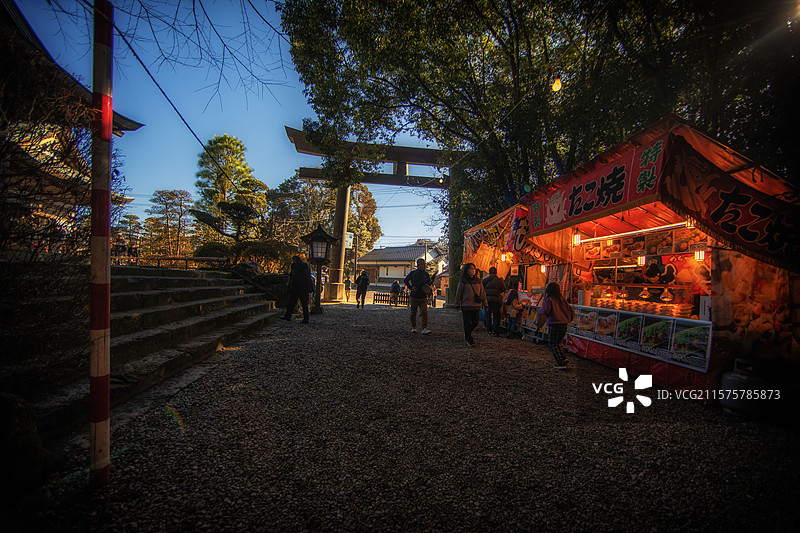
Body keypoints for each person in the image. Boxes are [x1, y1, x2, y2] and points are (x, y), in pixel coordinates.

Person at [536, 282, 575, 369]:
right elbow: (571, 310)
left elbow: (545, 310)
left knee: (552, 344)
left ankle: (560, 362)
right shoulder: (563, 300)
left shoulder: (549, 300)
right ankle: (563, 358)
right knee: (559, 343)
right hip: (564, 324)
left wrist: (540, 311)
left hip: (554, 323)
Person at [454, 262, 488, 347]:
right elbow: (459, 293)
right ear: (466, 270)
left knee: (475, 322)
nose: (472, 271)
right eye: (470, 269)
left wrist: (485, 303)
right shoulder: (463, 281)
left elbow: (482, 293)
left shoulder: (478, 281)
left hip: (476, 305)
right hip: (466, 305)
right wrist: (457, 303)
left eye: (473, 269)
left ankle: (467, 333)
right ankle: (469, 338)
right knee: (467, 322)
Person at [281, 255, 314, 323]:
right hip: (304, 288)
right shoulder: (305, 266)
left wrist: (290, 287)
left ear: (295, 260)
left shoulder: (295, 266)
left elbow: (293, 277)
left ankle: (288, 316)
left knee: (291, 303)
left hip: (296, 288)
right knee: (305, 305)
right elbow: (308, 277)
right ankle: (306, 319)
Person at [404, 258, 433, 334]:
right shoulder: (413, 273)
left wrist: (431, 281)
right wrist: (410, 287)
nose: (423, 266)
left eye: (424, 264)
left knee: (424, 312)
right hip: (414, 295)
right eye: (421, 264)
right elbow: (405, 280)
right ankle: (414, 327)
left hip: (423, 296)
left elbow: (428, 283)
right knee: (413, 312)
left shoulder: (426, 274)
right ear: (418, 265)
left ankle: (424, 327)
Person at [482, 266, 507, 335]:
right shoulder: (499, 280)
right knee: (496, 315)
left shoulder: (485, 280)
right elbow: (504, 289)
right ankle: (494, 330)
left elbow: (482, 290)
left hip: (487, 300)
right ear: (496, 272)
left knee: (488, 315)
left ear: (489, 272)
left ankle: (489, 329)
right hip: (496, 300)